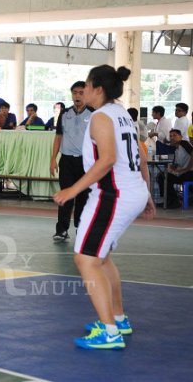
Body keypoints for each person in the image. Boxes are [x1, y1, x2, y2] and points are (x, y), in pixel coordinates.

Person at [53, 65, 155, 350]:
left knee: (85, 259)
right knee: (101, 256)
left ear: (98, 88)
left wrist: (73, 189)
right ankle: (118, 318)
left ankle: (110, 332)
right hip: (128, 190)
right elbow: (139, 158)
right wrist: (146, 192)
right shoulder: (122, 113)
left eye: (86, 84)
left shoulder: (99, 117)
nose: (82, 89)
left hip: (113, 195)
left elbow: (108, 159)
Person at [50, 82, 93, 241]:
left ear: (87, 94)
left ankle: (81, 229)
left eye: (81, 93)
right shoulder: (64, 113)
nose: (77, 96)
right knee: (65, 196)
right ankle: (61, 230)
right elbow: (58, 137)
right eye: (74, 93)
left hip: (86, 163)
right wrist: (53, 159)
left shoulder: (94, 113)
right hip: (66, 161)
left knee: (83, 197)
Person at [156, 129, 193, 209]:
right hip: (183, 174)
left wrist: (187, 168)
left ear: (181, 136)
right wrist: (171, 169)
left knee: (166, 176)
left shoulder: (184, 143)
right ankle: (170, 200)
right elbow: (175, 165)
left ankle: (174, 201)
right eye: (170, 136)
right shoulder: (176, 150)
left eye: (175, 135)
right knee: (162, 176)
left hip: (190, 173)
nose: (172, 138)